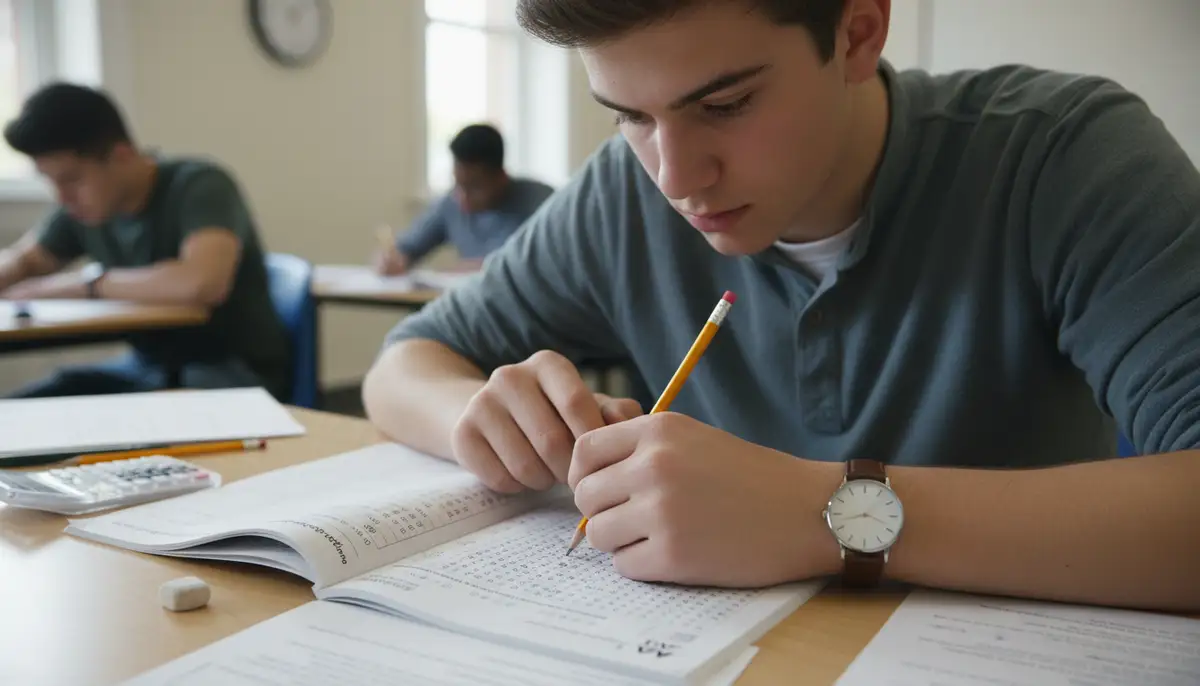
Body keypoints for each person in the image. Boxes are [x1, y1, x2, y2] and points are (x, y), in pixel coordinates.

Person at [362, 0, 1200, 612]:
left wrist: (823, 515)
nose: (676, 179)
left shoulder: (1062, 156)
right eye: (629, 116)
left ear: (858, 32)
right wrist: (494, 422)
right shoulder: (623, 195)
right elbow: (405, 363)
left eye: (724, 105)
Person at [0, 82, 291, 400]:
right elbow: (26, 260)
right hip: (147, 368)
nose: (61, 196)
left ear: (121, 156)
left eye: (71, 179)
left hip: (230, 373)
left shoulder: (200, 185)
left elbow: (202, 283)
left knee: (82, 425)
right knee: (21, 415)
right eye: (49, 181)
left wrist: (88, 284)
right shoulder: (82, 209)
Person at [374, 123, 554, 275]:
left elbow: (540, 266)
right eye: (459, 185)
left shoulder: (543, 204)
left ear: (501, 177)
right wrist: (393, 259)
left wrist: (470, 268)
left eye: (474, 187)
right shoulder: (450, 203)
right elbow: (407, 247)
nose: (463, 198)